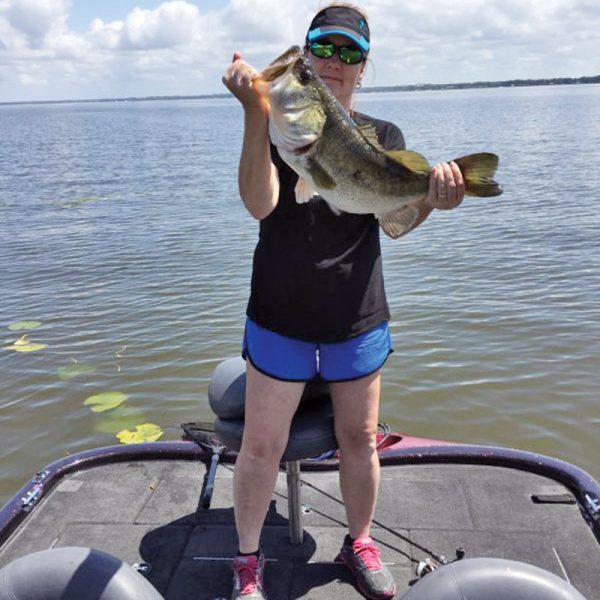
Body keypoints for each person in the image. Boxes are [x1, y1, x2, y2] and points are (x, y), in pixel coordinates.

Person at [222, 4, 464, 599]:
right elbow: (259, 204)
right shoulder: (281, 125)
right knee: (260, 444)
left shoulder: (385, 139)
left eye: (349, 53)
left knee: (359, 440)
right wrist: (256, 115)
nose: (333, 62)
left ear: (364, 68)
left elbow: (397, 224)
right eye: (321, 50)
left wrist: (434, 198)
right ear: (305, 54)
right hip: (279, 314)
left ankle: (359, 541)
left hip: (356, 317)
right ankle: (247, 562)